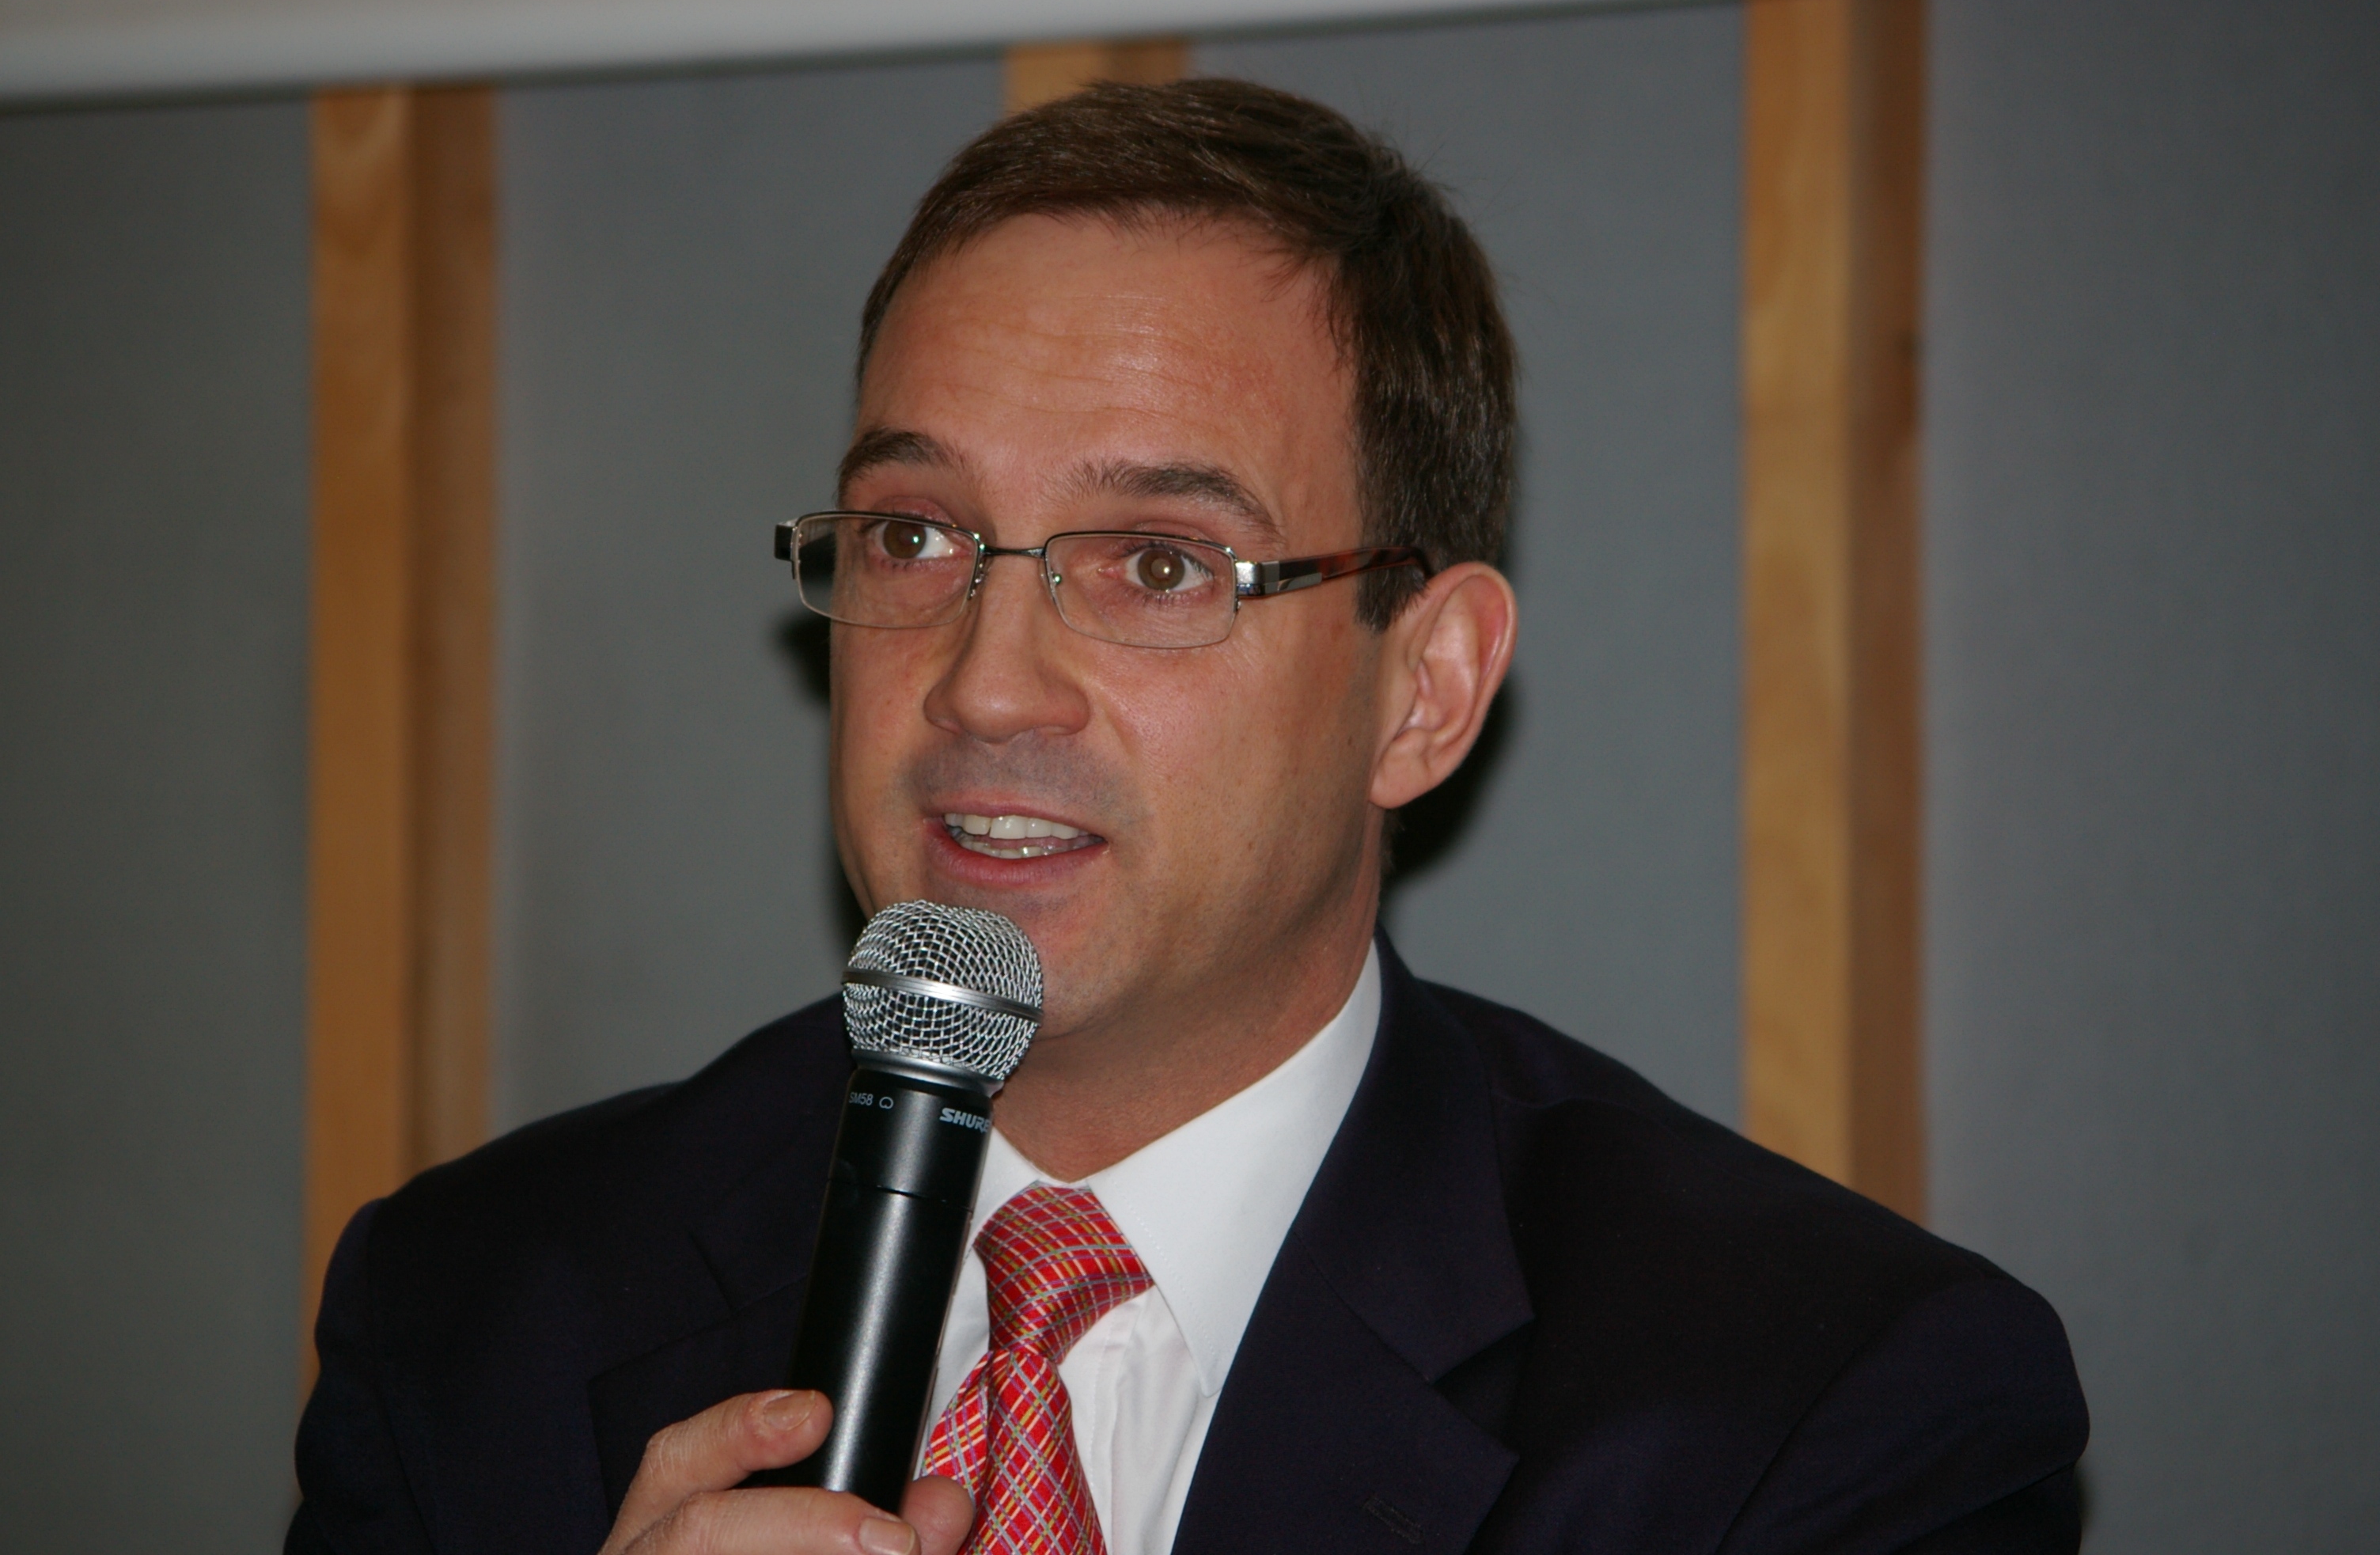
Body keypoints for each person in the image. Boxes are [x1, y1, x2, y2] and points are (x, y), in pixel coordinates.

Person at [288, 80, 2087, 1555]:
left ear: (1424, 687)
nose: (987, 684)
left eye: (1157, 563)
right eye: (913, 536)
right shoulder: (473, 1319)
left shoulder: (1814, 1412)